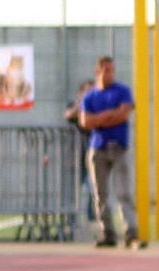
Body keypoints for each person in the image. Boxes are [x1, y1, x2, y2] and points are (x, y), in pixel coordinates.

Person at [79, 56, 147, 250]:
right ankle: (107, 233)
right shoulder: (90, 96)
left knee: (124, 192)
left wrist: (98, 119)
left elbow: (123, 114)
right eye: (106, 70)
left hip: (119, 148)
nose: (109, 74)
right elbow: (85, 122)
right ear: (97, 71)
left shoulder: (122, 91)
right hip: (97, 149)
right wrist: (109, 115)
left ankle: (131, 234)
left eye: (112, 70)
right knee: (100, 194)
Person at [65, 79, 95, 222]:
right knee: (72, 192)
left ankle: (92, 218)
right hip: (74, 158)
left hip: (91, 158)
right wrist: (82, 103)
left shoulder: (95, 107)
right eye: (87, 91)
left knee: (92, 190)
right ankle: (71, 220)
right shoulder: (75, 106)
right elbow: (69, 115)